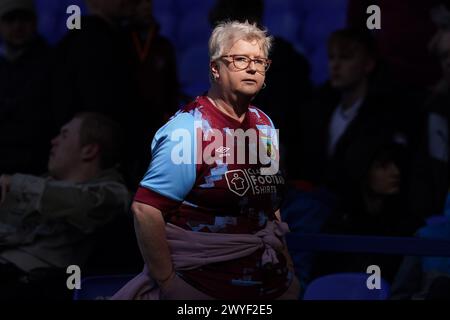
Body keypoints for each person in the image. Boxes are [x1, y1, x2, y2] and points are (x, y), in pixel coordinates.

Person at [113, 21, 299, 300]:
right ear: (215, 69)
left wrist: (288, 269)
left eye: (259, 62)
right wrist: (169, 283)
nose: (252, 68)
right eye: (240, 60)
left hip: (271, 284)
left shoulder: (264, 125)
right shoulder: (188, 130)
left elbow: (269, 201)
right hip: (203, 286)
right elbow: (146, 210)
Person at [0, 113, 130, 300]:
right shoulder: (44, 183)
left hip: (29, 284)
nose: (54, 141)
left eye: (64, 135)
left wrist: (18, 185)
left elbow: (82, 204)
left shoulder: (112, 193)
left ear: (89, 150)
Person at [0, 0, 54, 175]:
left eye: (24, 19)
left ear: (35, 21)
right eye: (10, 19)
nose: (18, 26)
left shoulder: (53, 64)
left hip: (35, 166)